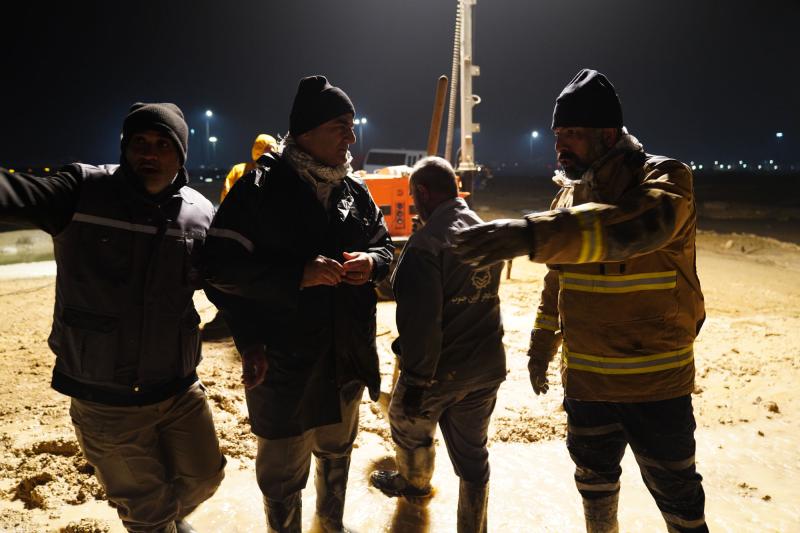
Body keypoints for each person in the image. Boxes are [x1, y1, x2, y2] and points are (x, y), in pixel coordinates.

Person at [452, 69, 708, 533]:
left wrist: (529, 233)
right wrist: (541, 345)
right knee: (594, 485)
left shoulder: (666, 178)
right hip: (588, 385)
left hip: (655, 386)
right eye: (557, 135)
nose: (560, 146)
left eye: (571, 134)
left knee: (679, 500)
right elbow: (559, 280)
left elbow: (634, 226)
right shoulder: (569, 194)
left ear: (607, 134)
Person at [0, 103, 226, 533]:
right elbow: (14, 193)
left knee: (206, 478)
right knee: (147, 513)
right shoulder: (81, 192)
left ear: (181, 155)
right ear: (125, 148)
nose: (149, 153)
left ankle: (167, 517)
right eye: (139, 142)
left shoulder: (199, 212)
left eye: (163, 144)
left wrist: (253, 340)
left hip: (179, 388)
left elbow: (227, 282)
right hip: (105, 397)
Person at [202, 75, 393, 532]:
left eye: (352, 126)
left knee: (337, 450)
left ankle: (330, 524)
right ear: (306, 131)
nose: (351, 137)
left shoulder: (355, 191)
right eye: (340, 127)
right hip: (282, 363)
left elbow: (385, 247)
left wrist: (372, 262)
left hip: (345, 356)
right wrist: (296, 275)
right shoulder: (258, 190)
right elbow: (218, 270)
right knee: (283, 470)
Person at [369, 157, 506, 533]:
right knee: (473, 457)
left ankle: (414, 486)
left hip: (439, 371)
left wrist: (415, 381)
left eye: (414, 197)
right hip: (487, 368)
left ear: (423, 193)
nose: (414, 204)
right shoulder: (486, 231)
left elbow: (423, 324)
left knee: (404, 420)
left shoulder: (426, 244)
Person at [201, 133, 278, 341]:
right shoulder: (241, 171)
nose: (269, 153)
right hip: (243, 231)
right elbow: (228, 198)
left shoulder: (278, 172)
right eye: (265, 150)